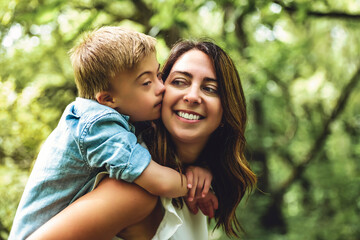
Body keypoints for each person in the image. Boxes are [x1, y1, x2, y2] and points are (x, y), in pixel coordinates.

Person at [27, 40, 257, 239]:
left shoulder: (195, 188)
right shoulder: (135, 189)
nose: (192, 96)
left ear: (227, 110)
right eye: (179, 82)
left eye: (210, 88)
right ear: (160, 92)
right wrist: (185, 183)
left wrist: (199, 171)